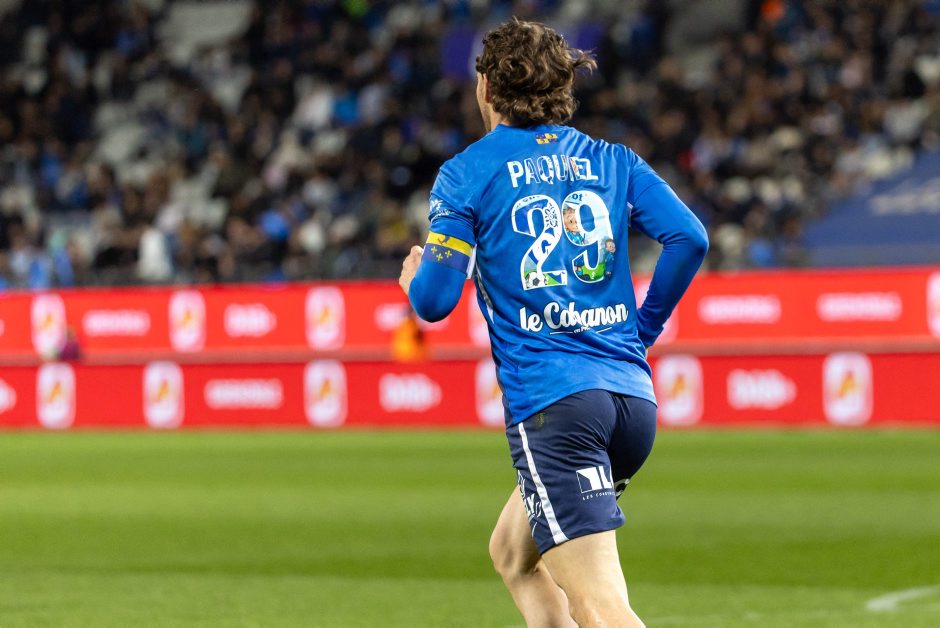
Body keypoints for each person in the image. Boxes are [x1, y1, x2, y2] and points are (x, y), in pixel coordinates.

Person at [399, 18, 707, 627]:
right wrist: (641, 332)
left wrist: (414, 280)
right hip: (630, 403)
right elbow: (688, 238)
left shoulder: (468, 171)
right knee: (513, 555)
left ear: (486, 87)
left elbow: (435, 300)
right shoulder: (612, 160)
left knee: (600, 604)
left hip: (556, 407)